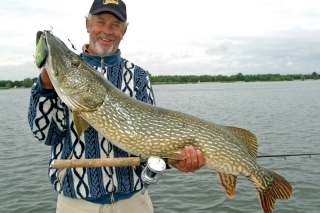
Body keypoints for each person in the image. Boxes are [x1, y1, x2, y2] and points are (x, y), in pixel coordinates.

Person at [28, 0, 205, 212]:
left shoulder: (138, 76)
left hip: (133, 201)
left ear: (124, 30)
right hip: (75, 202)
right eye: (100, 22)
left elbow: (151, 143)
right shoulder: (63, 77)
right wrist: (46, 87)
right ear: (87, 24)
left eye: (115, 24)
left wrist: (177, 161)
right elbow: (46, 135)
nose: (107, 31)